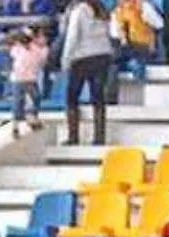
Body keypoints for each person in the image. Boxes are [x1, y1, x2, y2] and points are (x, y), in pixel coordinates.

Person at [60, 0, 117, 146]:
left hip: (82, 57)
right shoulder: (102, 10)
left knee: (71, 97)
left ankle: (73, 137)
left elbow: (72, 36)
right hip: (103, 55)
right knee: (98, 98)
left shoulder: (78, 11)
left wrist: (65, 60)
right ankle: (99, 137)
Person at [8, 27, 49, 137]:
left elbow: (42, 61)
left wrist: (38, 45)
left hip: (31, 78)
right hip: (18, 79)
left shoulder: (40, 49)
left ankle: (32, 118)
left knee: (36, 97)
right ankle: (15, 126)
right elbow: (13, 52)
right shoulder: (17, 48)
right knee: (18, 101)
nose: (43, 39)